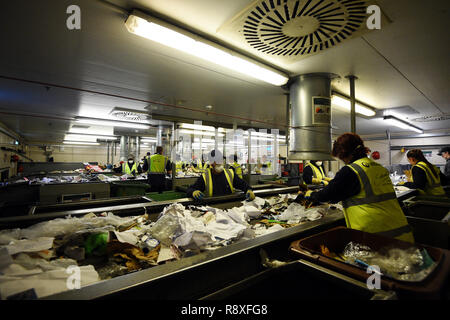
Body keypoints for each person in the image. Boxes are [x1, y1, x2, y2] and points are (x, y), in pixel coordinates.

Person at [297, 133, 414, 243]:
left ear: (344, 153)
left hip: (376, 237)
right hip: (401, 233)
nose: (342, 161)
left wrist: (309, 194)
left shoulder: (351, 171)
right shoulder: (378, 167)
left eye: (341, 157)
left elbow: (327, 195)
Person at [187, 149, 255, 201]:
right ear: (211, 163)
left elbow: (243, 185)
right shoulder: (205, 177)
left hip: (230, 206)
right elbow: (190, 189)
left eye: (221, 160)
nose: (219, 162)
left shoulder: (230, 173)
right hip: (212, 207)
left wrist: (249, 190)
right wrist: (193, 192)